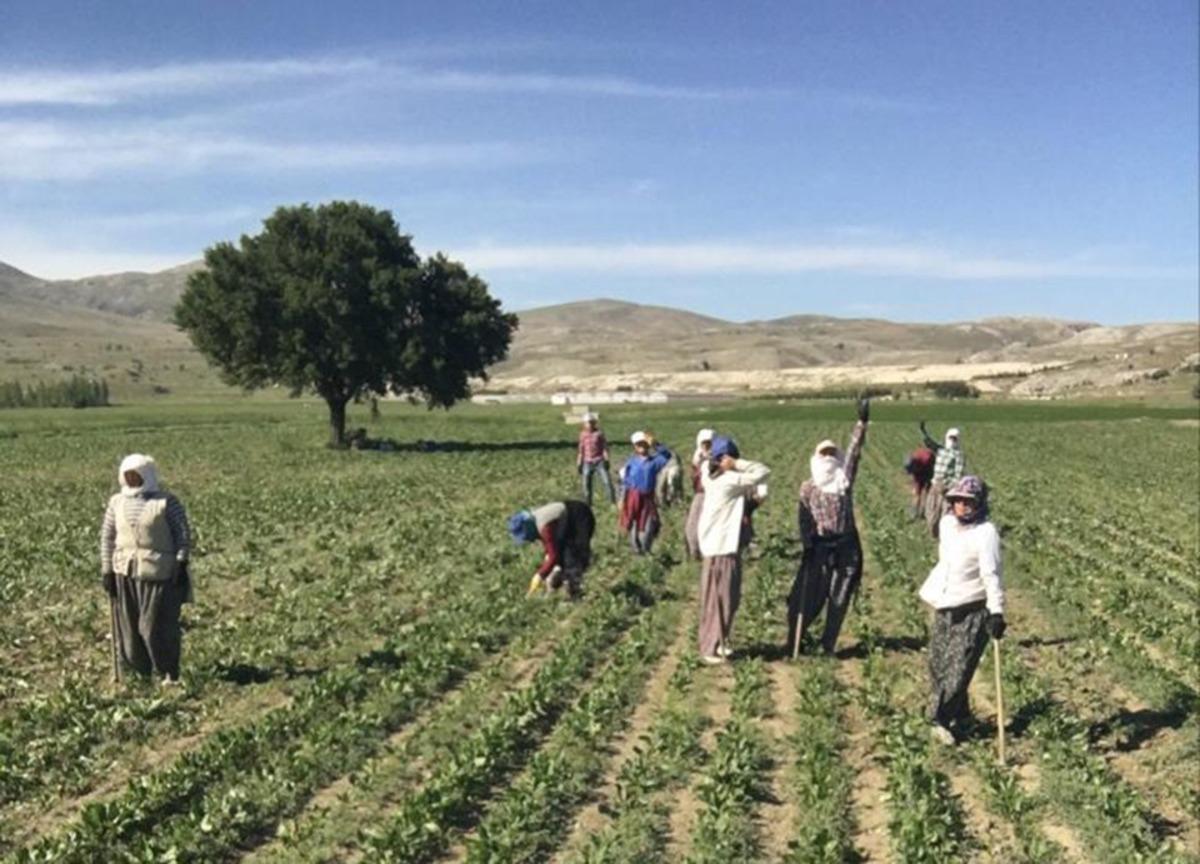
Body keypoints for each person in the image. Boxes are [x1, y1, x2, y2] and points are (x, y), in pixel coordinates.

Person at [919, 475, 1006, 745]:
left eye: (969, 501)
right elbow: (933, 512)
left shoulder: (986, 533)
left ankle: (938, 719)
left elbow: (991, 574)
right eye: (958, 501)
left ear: (979, 503)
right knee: (937, 663)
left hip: (973, 607)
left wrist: (996, 612)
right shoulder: (947, 524)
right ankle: (962, 715)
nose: (963, 506)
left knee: (958, 668)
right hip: (944, 602)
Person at [99, 454, 192, 684]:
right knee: (128, 628)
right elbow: (107, 537)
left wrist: (181, 562)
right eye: (127, 475)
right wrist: (107, 570)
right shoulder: (116, 502)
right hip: (125, 571)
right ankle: (139, 674)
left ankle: (168, 673)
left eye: (136, 475)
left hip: (159, 573)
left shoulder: (166, 502)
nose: (131, 480)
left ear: (147, 476)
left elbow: (183, 534)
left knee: (154, 627)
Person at [787, 399, 869, 656]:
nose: (829, 457)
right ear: (816, 457)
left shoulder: (844, 481)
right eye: (824, 453)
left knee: (839, 596)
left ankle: (828, 645)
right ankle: (796, 641)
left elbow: (855, 451)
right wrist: (808, 542)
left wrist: (862, 424)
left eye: (833, 453)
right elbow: (804, 518)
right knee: (810, 595)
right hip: (819, 548)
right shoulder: (808, 487)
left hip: (846, 546)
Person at [697, 436, 770, 664]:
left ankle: (719, 641)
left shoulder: (710, 475)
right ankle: (710, 647)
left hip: (722, 545)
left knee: (726, 597)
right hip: (721, 546)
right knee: (722, 598)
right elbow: (763, 472)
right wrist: (737, 464)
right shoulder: (727, 480)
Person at [508, 500, 596, 599]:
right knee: (562, 557)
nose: (528, 540)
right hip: (567, 521)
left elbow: (553, 555)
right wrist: (550, 566)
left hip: (579, 516)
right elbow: (550, 549)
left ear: (528, 528)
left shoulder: (544, 527)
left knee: (574, 556)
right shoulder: (536, 524)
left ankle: (577, 594)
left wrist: (540, 575)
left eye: (526, 536)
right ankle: (563, 583)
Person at [618, 431, 673, 554]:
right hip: (632, 496)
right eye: (638, 445)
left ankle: (645, 547)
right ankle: (635, 547)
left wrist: (656, 444)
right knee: (633, 521)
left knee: (648, 522)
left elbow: (667, 455)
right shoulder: (631, 462)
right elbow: (625, 481)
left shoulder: (654, 462)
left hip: (647, 498)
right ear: (635, 447)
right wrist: (621, 498)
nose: (641, 447)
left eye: (644, 444)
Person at [920, 422, 965, 538]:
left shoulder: (958, 455)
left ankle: (943, 535)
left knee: (944, 512)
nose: (953, 440)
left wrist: (950, 487)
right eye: (951, 437)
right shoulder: (941, 450)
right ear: (947, 437)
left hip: (947, 488)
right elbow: (929, 443)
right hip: (935, 484)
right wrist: (923, 430)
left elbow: (958, 474)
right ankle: (933, 532)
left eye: (955, 438)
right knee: (931, 510)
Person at [684, 428, 715, 559]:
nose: (706, 446)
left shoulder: (718, 457)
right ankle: (695, 552)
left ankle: (708, 553)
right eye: (704, 443)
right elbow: (694, 477)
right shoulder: (697, 457)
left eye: (709, 443)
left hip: (714, 494)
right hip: (700, 494)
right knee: (692, 526)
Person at [576, 413, 615, 506]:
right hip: (587, 461)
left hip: (599, 461)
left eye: (591, 423)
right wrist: (579, 462)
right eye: (587, 423)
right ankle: (588, 503)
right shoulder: (582, 435)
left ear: (594, 423)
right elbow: (581, 450)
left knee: (607, 481)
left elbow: (604, 448)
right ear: (584, 424)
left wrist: (607, 460)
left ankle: (612, 501)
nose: (589, 425)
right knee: (586, 483)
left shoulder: (599, 434)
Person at [904, 446, 935, 519]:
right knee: (917, 494)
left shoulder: (926, 458)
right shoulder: (913, 459)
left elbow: (932, 460)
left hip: (929, 473)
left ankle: (925, 512)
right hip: (919, 474)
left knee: (927, 493)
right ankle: (914, 512)